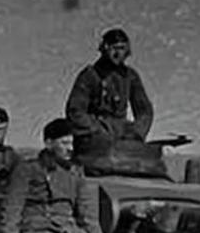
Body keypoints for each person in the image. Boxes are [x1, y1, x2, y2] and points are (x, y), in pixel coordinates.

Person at [0, 118, 108, 233]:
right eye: (64, 143)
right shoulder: (28, 169)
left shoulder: (75, 174)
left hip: (69, 231)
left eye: (71, 143)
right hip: (38, 230)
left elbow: (88, 217)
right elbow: (12, 210)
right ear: (49, 143)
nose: (70, 148)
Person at [65, 28, 154, 173]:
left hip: (122, 138)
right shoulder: (89, 75)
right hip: (94, 137)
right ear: (105, 48)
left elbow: (145, 111)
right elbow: (75, 111)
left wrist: (136, 132)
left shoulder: (130, 77)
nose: (118, 54)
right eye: (114, 48)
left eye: (122, 48)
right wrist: (97, 129)